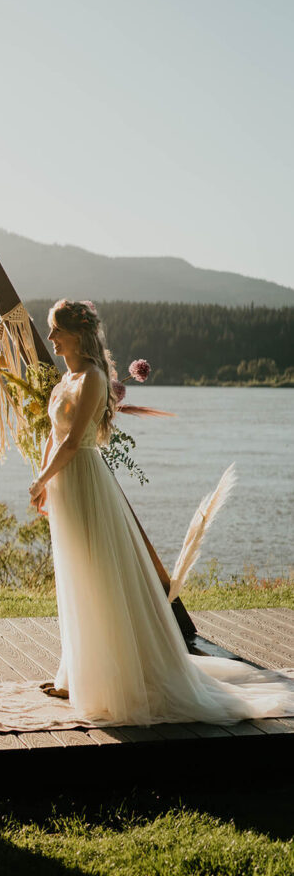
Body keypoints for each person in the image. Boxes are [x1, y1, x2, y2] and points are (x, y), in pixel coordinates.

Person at [28, 298, 294, 726]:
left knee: (96, 575)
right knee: (73, 572)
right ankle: (74, 672)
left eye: (57, 329)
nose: (52, 337)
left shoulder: (93, 377)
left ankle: (108, 675)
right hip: (63, 484)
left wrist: (43, 480)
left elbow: (76, 440)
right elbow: (53, 434)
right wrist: (44, 480)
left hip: (84, 482)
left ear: (78, 334)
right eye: (51, 329)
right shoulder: (67, 377)